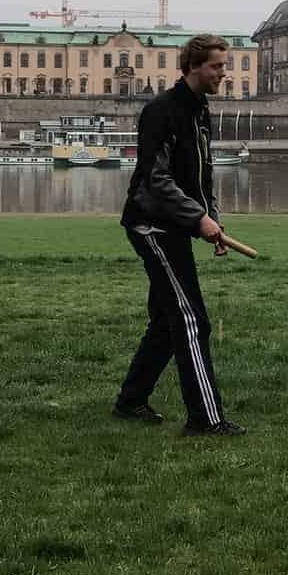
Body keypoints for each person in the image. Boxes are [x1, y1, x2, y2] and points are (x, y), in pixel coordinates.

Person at [114, 34, 245, 436]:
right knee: (191, 319)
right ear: (192, 66)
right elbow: (157, 180)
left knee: (166, 321)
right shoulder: (160, 112)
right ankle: (206, 420)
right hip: (150, 225)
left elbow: (200, 176)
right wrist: (197, 220)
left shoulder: (199, 111)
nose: (224, 73)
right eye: (217, 66)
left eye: (225, 65)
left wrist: (213, 221)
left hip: (176, 224)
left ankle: (131, 401)